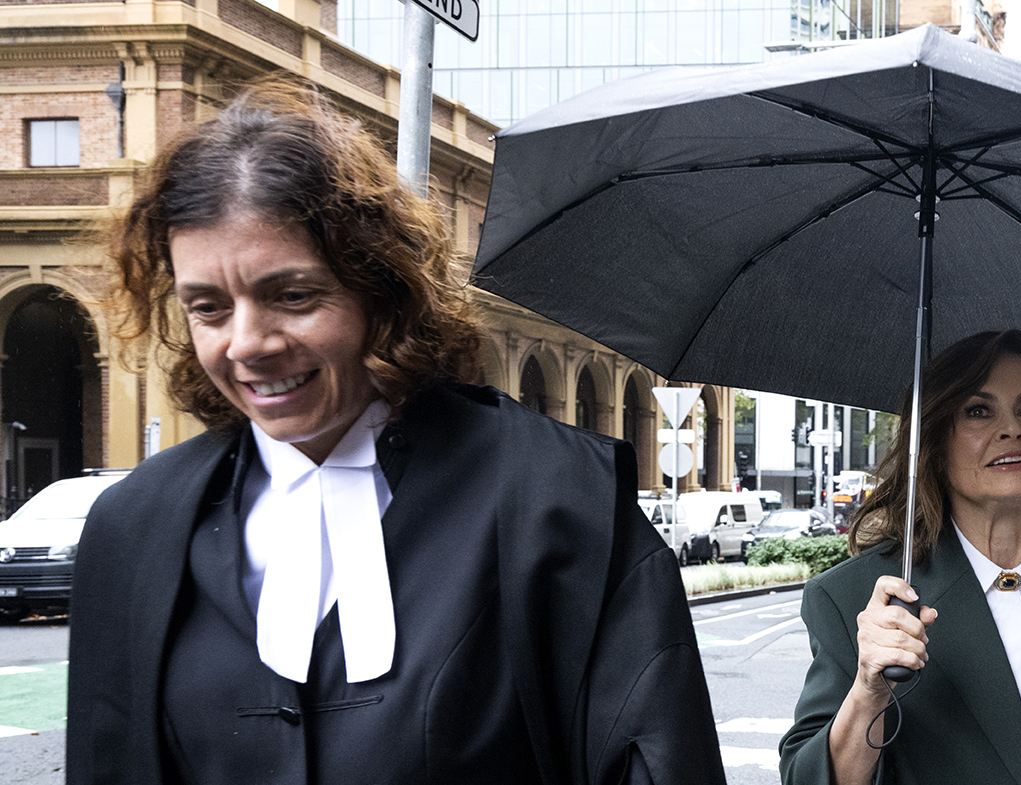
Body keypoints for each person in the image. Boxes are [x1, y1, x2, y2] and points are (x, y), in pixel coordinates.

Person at [67, 79, 725, 785]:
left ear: (379, 289)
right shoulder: (132, 529)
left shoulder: (559, 502)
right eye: (208, 307)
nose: (247, 342)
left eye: (292, 295)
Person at [779, 330, 1021, 785]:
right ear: (934, 444)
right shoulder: (853, 598)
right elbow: (808, 778)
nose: (1013, 428)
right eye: (978, 410)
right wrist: (868, 693)